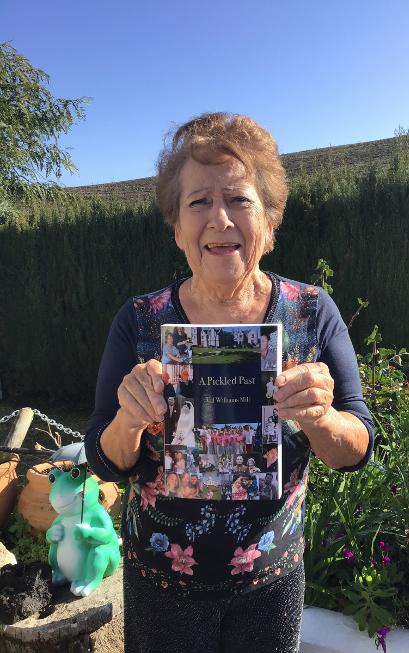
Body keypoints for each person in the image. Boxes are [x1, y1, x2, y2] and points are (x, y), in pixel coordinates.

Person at [84, 112, 374, 653]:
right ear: (176, 228)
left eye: (239, 199)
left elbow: (356, 449)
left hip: (270, 584)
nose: (219, 219)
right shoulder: (140, 322)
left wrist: (321, 417)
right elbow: (104, 461)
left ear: (269, 221)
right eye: (198, 202)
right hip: (162, 587)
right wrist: (128, 418)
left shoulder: (310, 314)